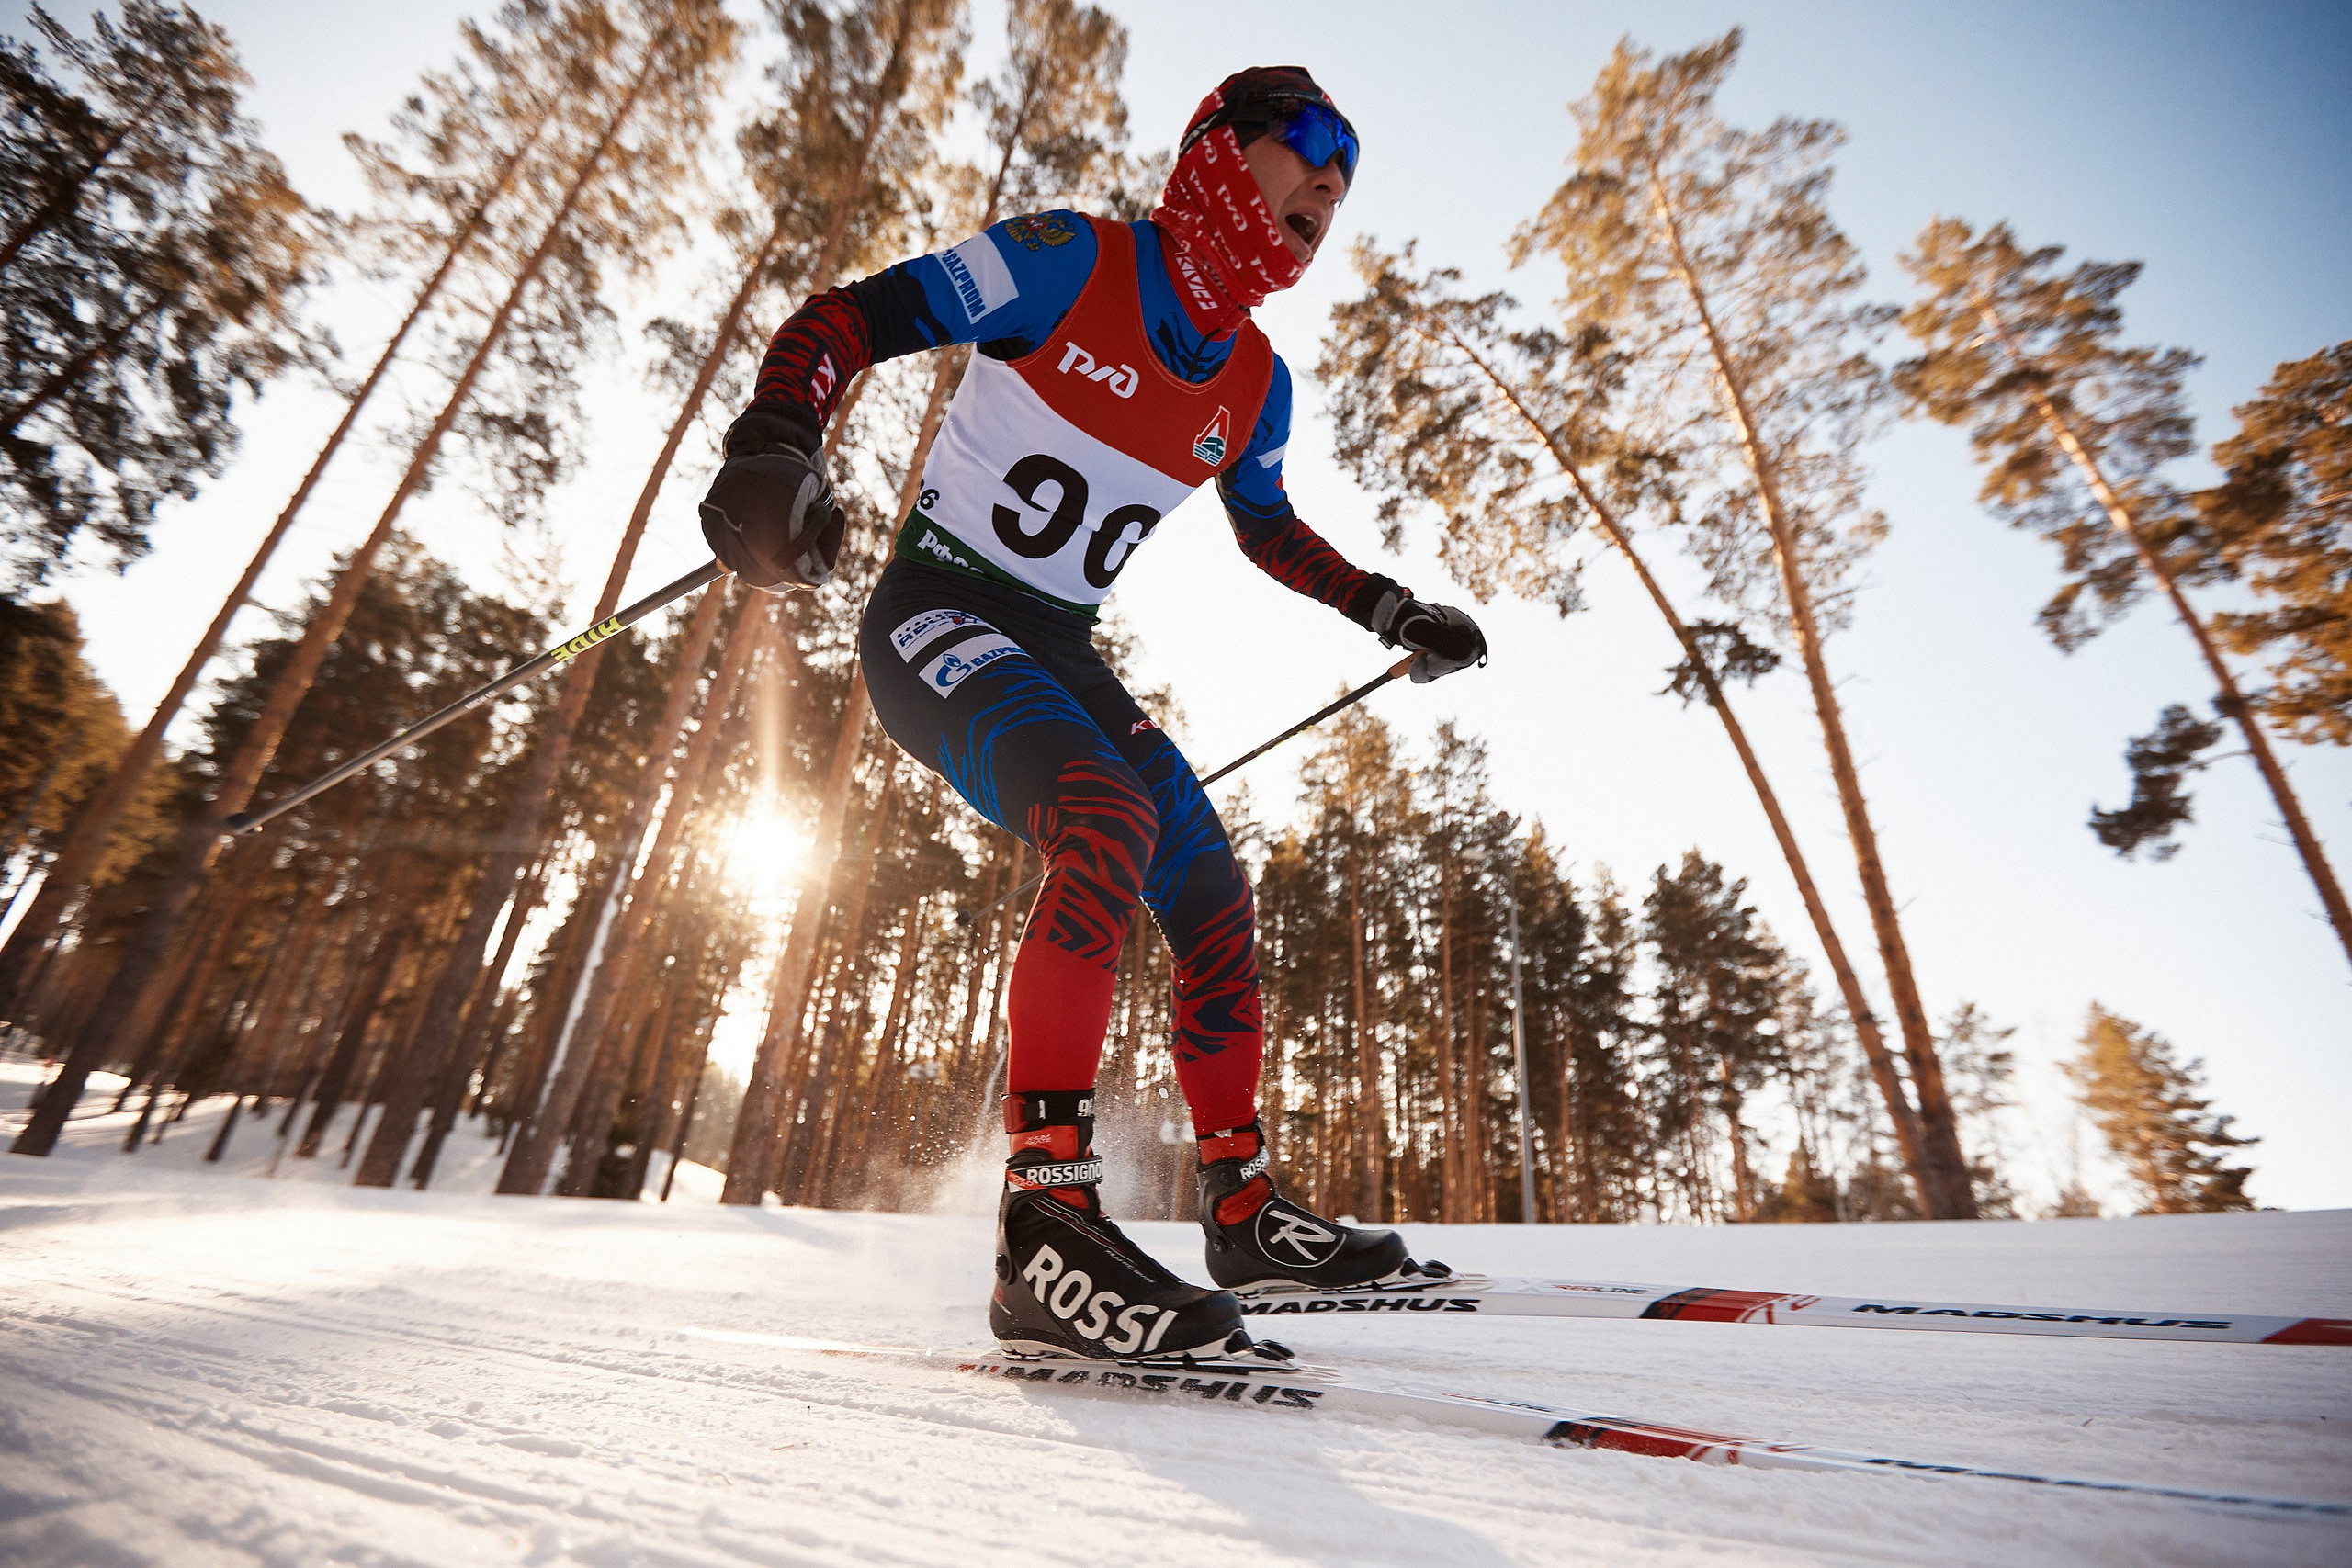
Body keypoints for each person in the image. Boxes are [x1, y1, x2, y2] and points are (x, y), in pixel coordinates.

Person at [699, 67, 1487, 1362]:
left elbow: (1272, 533)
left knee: (1211, 891)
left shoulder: (1254, 385)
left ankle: (1239, 1210)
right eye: (1310, 143)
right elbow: (849, 319)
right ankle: (1046, 1228)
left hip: (1061, 650)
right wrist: (781, 436)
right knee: (1106, 818)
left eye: (1351, 167)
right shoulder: (1065, 262)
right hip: (936, 613)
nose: (1334, 179)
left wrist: (1391, 611)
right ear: (1217, 154)